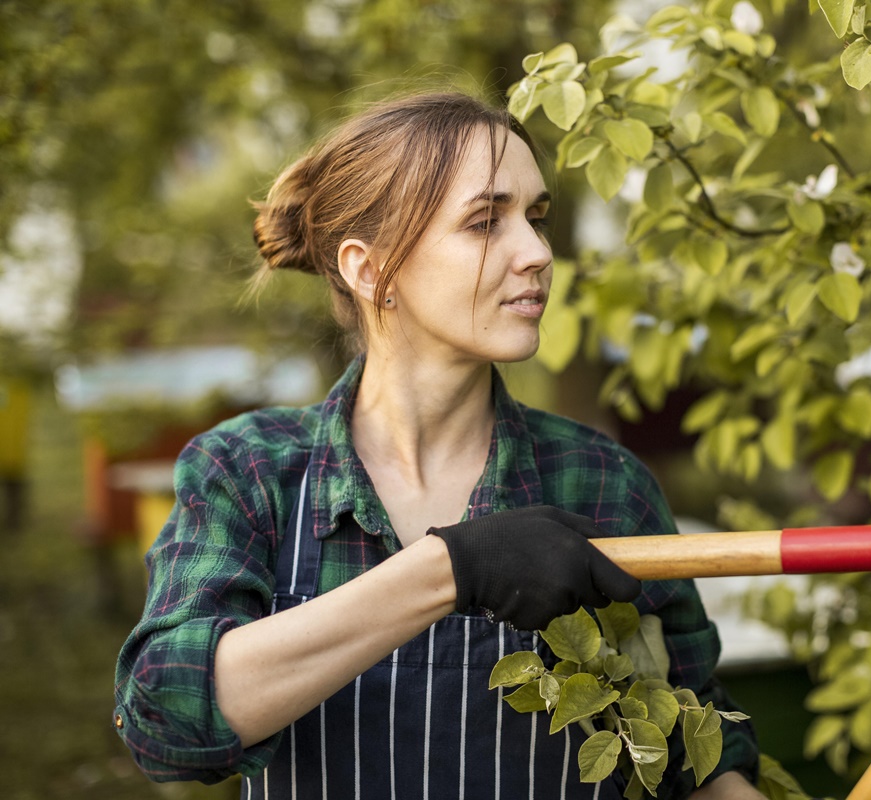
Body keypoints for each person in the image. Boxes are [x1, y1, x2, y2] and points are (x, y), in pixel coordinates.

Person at [113, 90, 761, 799]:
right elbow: (166, 723)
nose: (538, 253)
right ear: (369, 270)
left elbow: (695, 753)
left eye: (536, 218)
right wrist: (452, 570)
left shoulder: (602, 481)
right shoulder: (251, 472)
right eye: (486, 222)